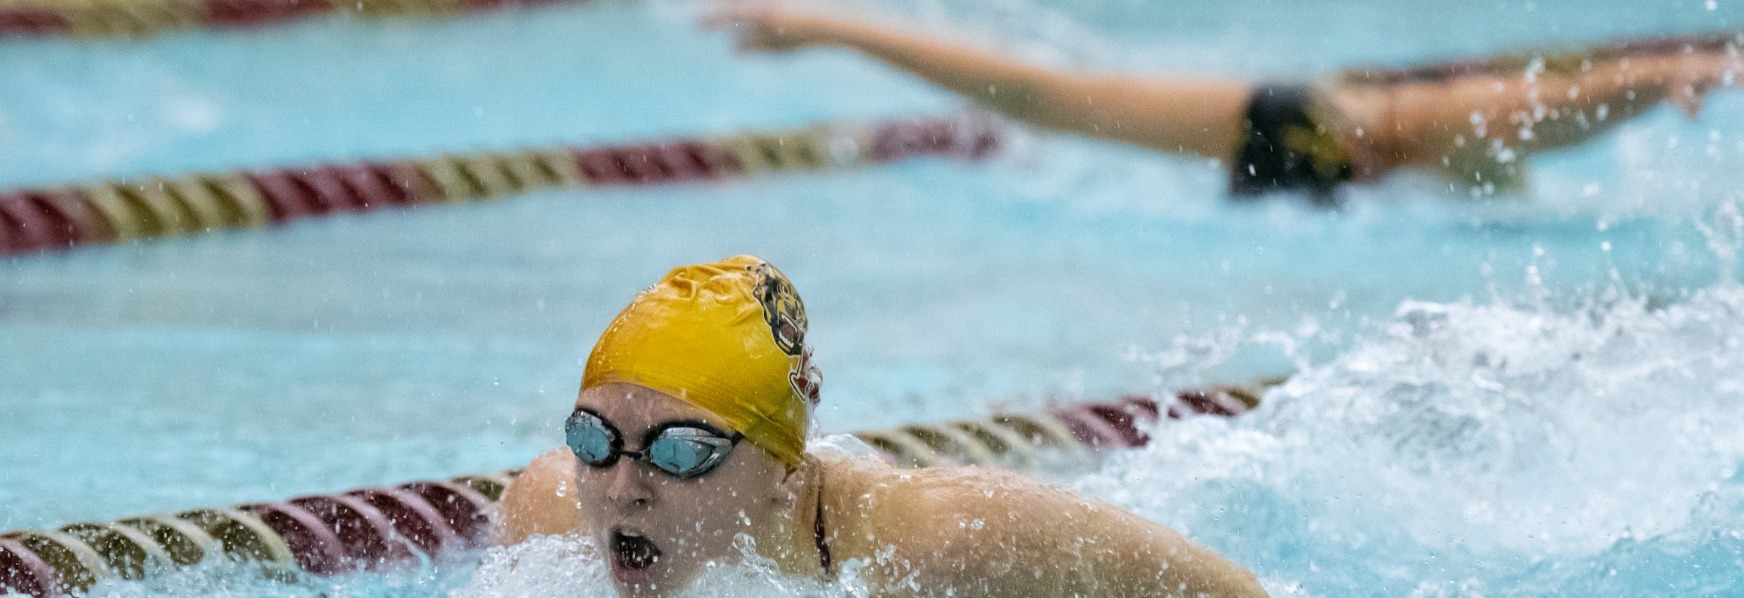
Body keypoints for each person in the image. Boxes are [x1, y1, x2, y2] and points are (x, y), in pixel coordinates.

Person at [495, 255, 1288, 598]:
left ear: (784, 476)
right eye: (595, 439)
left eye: (680, 452)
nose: (624, 488)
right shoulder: (547, 516)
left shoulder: (953, 543)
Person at [708, 7, 1742, 199]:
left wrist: (1648, 82)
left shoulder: (1381, 139)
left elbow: (1517, 114)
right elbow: (1034, 93)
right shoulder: (1336, 132)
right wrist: (830, 25)